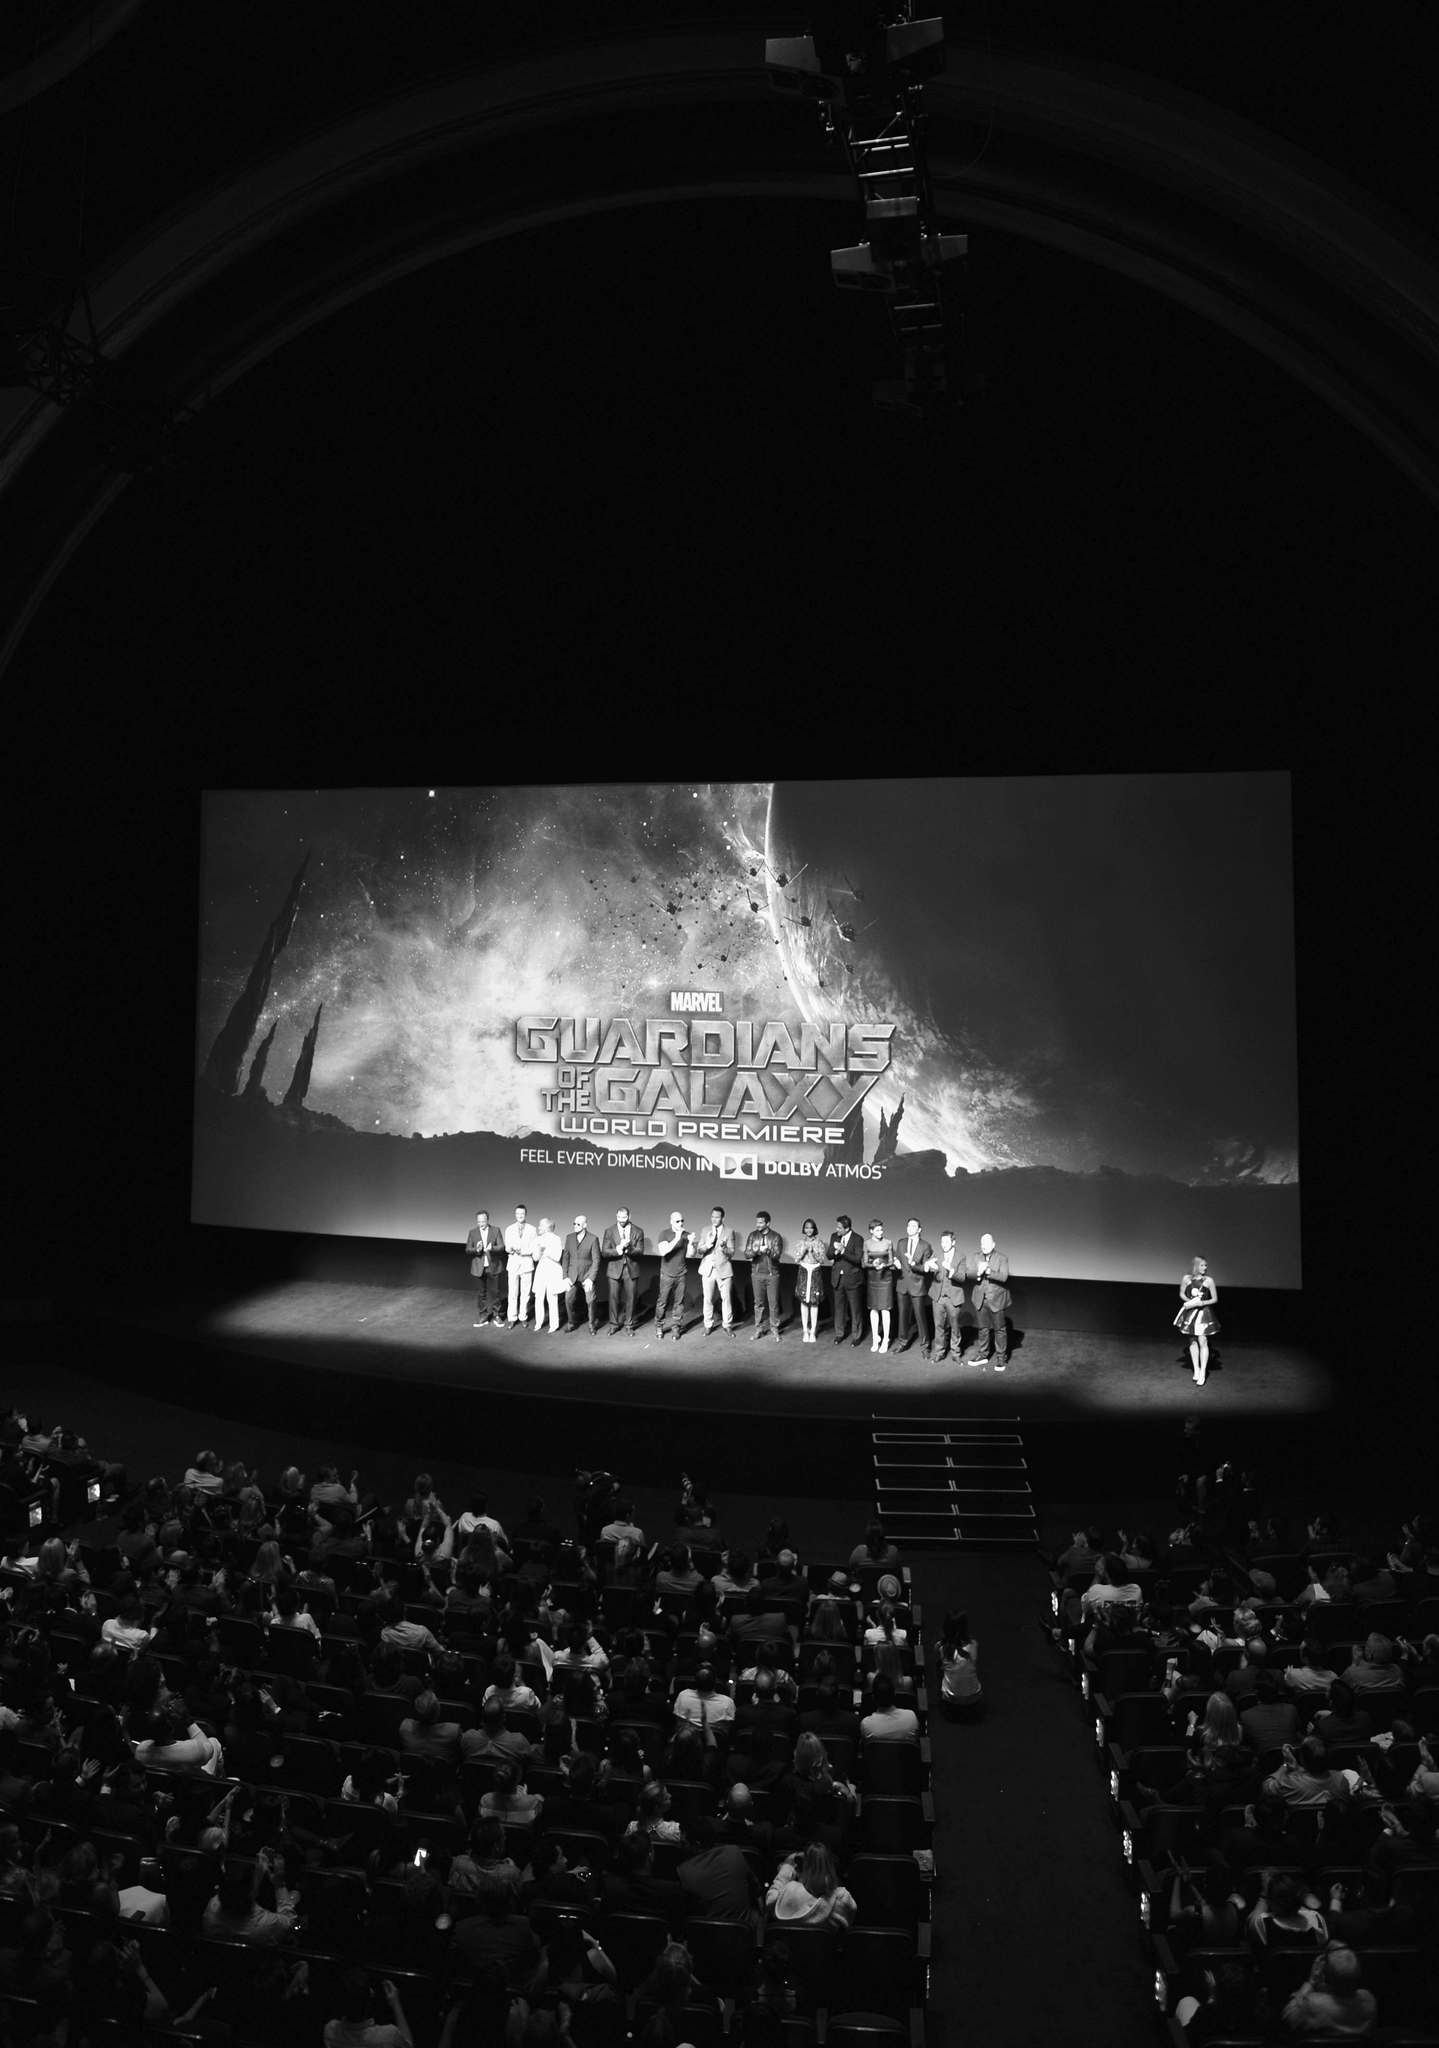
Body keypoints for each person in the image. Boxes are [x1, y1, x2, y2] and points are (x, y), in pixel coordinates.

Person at [1280, 1943, 1377, 2036]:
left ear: (1326, 1977)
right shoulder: (1369, 2001)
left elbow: (1287, 2016)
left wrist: (1311, 1981)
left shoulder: (1311, 2005)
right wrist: (1341, 1953)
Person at [766, 1842, 857, 1927]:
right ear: (830, 1866)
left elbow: (770, 1900)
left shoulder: (790, 1891)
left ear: (804, 1865)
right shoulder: (842, 1899)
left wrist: (787, 1867)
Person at [324, 1969, 416, 2048]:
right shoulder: (389, 2036)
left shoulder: (330, 2031)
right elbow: (408, 2045)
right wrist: (396, 2004)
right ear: (371, 1994)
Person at [966, 1232, 1011, 1370]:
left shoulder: (1002, 1258)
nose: (984, 1246)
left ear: (993, 1244)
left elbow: (1004, 1277)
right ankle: (983, 1355)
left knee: (999, 1330)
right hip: (980, 1299)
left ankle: (1000, 1358)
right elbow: (969, 1273)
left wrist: (988, 1270)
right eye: (982, 1244)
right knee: (983, 1329)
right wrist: (978, 1273)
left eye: (987, 1243)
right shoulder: (975, 1256)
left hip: (996, 1299)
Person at [1175, 1255, 1220, 1387]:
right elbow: (1182, 1294)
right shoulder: (1186, 1278)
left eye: (1206, 1265)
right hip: (1190, 1312)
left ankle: (1203, 1372)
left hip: (1204, 1313)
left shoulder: (1209, 1281)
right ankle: (1196, 1369)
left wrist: (1202, 1302)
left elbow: (1215, 1299)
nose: (1205, 1268)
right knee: (1192, 1342)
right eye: (1202, 1265)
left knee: (1203, 1340)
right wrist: (1190, 1301)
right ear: (1195, 1266)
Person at [926, 1232, 967, 1366]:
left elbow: (962, 1278)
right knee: (939, 1326)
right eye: (942, 1242)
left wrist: (952, 1271)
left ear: (953, 1242)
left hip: (953, 1298)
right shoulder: (936, 1254)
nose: (943, 1245)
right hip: (938, 1297)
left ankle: (956, 1353)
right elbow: (931, 1269)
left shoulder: (961, 1256)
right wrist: (931, 1267)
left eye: (946, 1242)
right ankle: (939, 1352)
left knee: (955, 1327)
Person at [894, 1218, 933, 1358]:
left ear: (919, 1229)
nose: (910, 1227)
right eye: (908, 1225)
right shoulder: (901, 1242)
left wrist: (913, 1262)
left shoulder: (925, 1245)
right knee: (903, 1316)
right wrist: (896, 1263)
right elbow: (896, 1258)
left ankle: (925, 1346)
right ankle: (902, 1343)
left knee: (920, 1317)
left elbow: (926, 1268)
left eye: (913, 1225)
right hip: (902, 1284)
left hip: (917, 1285)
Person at [602, 1208, 644, 1335]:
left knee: (631, 1299)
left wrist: (629, 1248)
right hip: (614, 1269)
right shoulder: (609, 1231)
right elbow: (604, 1252)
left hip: (631, 1270)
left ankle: (629, 1325)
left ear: (629, 1216)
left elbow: (640, 1251)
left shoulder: (638, 1231)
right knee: (613, 1298)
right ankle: (614, 1325)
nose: (621, 1221)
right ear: (616, 1216)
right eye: (619, 1218)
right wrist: (619, 1249)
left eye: (624, 1218)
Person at [697, 1207, 737, 1336]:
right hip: (708, 1269)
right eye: (712, 1216)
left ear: (722, 1218)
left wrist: (725, 1248)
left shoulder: (729, 1232)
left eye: (717, 1217)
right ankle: (708, 1325)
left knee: (726, 1299)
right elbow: (700, 1250)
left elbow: (732, 1252)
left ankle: (727, 1325)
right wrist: (708, 1244)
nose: (714, 1219)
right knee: (707, 1299)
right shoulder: (705, 1230)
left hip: (723, 1269)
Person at [827, 1215, 866, 1346]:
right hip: (837, 1278)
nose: (836, 1229)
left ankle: (856, 1336)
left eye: (839, 1227)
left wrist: (843, 1250)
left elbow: (857, 1259)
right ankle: (839, 1334)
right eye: (836, 1227)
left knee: (855, 1309)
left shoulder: (858, 1239)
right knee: (839, 1308)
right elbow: (829, 1255)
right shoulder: (834, 1236)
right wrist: (835, 1251)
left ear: (847, 1228)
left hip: (852, 1278)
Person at [560, 1214, 602, 1334]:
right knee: (568, 1299)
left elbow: (596, 1260)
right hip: (572, 1275)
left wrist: (591, 1278)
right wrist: (565, 1276)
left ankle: (592, 1325)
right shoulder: (569, 1238)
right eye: (574, 1223)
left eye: (578, 1224)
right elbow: (566, 1258)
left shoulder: (593, 1239)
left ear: (585, 1225)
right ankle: (572, 1323)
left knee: (591, 1300)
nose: (575, 1226)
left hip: (587, 1275)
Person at [655, 1212, 693, 1342]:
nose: (680, 1223)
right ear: (671, 1221)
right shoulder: (664, 1234)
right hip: (666, 1274)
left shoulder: (686, 1235)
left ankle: (676, 1327)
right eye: (677, 1221)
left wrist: (692, 1243)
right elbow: (663, 1251)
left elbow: (690, 1255)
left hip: (681, 1274)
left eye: (682, 1220)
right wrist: (677, 1237)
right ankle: (659, 1326)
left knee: (679, 1303)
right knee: (662, 1302)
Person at [746, 1211, 784, 1342]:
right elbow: (747, 1254)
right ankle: (759, 1329)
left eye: (761, 1222)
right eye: (757, 1222)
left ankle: (774, 1329)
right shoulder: (752, 1235)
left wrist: (767, 1250)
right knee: (758, 1304)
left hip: (772, 1274)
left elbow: (777, 1255)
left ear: (768, 1223)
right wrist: (757, 1251)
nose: (758, 1224)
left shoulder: (776, 1237)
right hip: (757, 1274)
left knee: (773, 1304)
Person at [466, 1208, 506, 1329]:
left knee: (495, 1293)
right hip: (479, 1268)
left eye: (483, 1221)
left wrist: (491, 1248)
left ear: (487, 1220)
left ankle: (496, 1315)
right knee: (481, 1294)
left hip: (493, 1266)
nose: (481, 1223)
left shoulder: (495, 1230)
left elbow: (501, 1247)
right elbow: (468, 1249)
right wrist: (476, 1250)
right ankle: (483, 1316)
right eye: (479, 1221)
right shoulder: (472, 1232)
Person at [936, 1610, 982, 1713]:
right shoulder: (974, 1645)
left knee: (939, 1667)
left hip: (951, 1701)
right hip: (974, 1698)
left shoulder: (943, 1649)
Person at [792, 1219, 827, 1344]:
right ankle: (805, 1331)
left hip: (815, 1271)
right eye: (806, 1228)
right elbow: (796, 1258)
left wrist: (813, 1251)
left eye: (811, 1228)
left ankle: (813, 1331)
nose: (808, 1230)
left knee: (814, 1302)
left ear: (814, 1229)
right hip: (804, 1271)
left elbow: (822, 1260)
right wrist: (804, 1250)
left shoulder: (819, 1242)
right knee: (804, 1301)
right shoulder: (800, 1242)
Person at [864, 1220, 896, 1353]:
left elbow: (891, 1261)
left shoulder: (888, 1242)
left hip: (885, 1279)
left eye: (881, 1230)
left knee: (885, 1309)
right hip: (873, 1279)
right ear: (871, 1231)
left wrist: (883, 1264)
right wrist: (873, 1264)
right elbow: (865, 1262)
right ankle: (875, 1338)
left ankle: (886, 1339)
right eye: (877, 1230)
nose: (880, 1232)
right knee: (873, 1309)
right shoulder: (867, 1243)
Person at [504, 1204, 539, 1328]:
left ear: (526, 1215)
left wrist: (523, 1250)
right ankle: (512, 1317)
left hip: (526, 1263)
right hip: (513, 1264)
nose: (520, 1216)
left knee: (525, 1293)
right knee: (512, 1292)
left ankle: (523, 1316)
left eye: (522, 1214)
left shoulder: (532, 1229)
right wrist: (511, 1249)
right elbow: (507, 1247)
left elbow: (535, 1247)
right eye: (518, 1214)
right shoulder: (509, 1229)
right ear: (515, 1214)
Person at [532, 1218, 565, 1334]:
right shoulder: (537, 1239)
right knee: (538, 1298)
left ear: (547, 1227)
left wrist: (545, 1251)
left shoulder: (556, 1239)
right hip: (541, 1271)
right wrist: (538, 1251)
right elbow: (535, 1258)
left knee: (552, 1298)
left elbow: (557, 1257)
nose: (538, 1228)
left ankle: (554, 1325)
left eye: (540, 1226)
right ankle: (538, 1322)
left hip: (553, 1271)